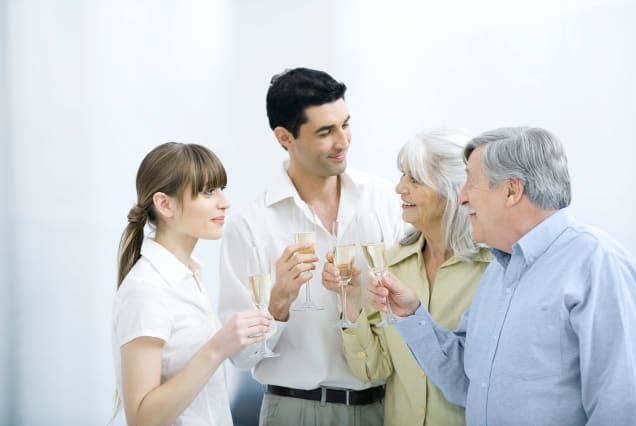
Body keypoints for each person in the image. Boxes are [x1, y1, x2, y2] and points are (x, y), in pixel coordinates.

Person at [367, 127, 636, 426]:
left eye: (471, 181)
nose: (461, 197)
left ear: (512, 190)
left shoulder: (598, 264)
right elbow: (464, 382)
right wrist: (411, 314)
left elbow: (620, 408)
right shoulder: (500, 270)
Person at [218, 68, 403, 426]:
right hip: (295, 412)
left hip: (388, 408)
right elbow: (240, 357)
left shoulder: (385, 200)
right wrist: (278, 303)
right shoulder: (251, 226)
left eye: (345, 124)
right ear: (285, 137)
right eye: (325, 132)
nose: (343, 141)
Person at [322, 129, 492, 425]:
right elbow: (373, 369)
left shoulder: (493, 269)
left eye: (414, 179)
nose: (400, 188)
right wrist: (350, 299)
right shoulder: (392, 264)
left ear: (453, 190)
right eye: (403, 175)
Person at [112, 142, 273, 426]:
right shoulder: (146, 289)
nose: (225, 202)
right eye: (208, 192)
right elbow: (141, 418)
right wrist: (217, 348)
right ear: (165, 204)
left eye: (221, 189)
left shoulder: (188, 276)